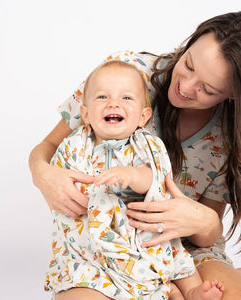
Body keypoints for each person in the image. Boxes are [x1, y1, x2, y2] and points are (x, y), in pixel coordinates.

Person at [30, 12, 241, 299]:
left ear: (232, 95)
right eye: (188, 64)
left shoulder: (229, 132)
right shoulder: (126, 78)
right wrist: (42, 173)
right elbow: (48, 146)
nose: (186, 87)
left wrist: (205, 222)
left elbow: (204, 236)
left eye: (208, 89)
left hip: (178, 249)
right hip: (108, 243)